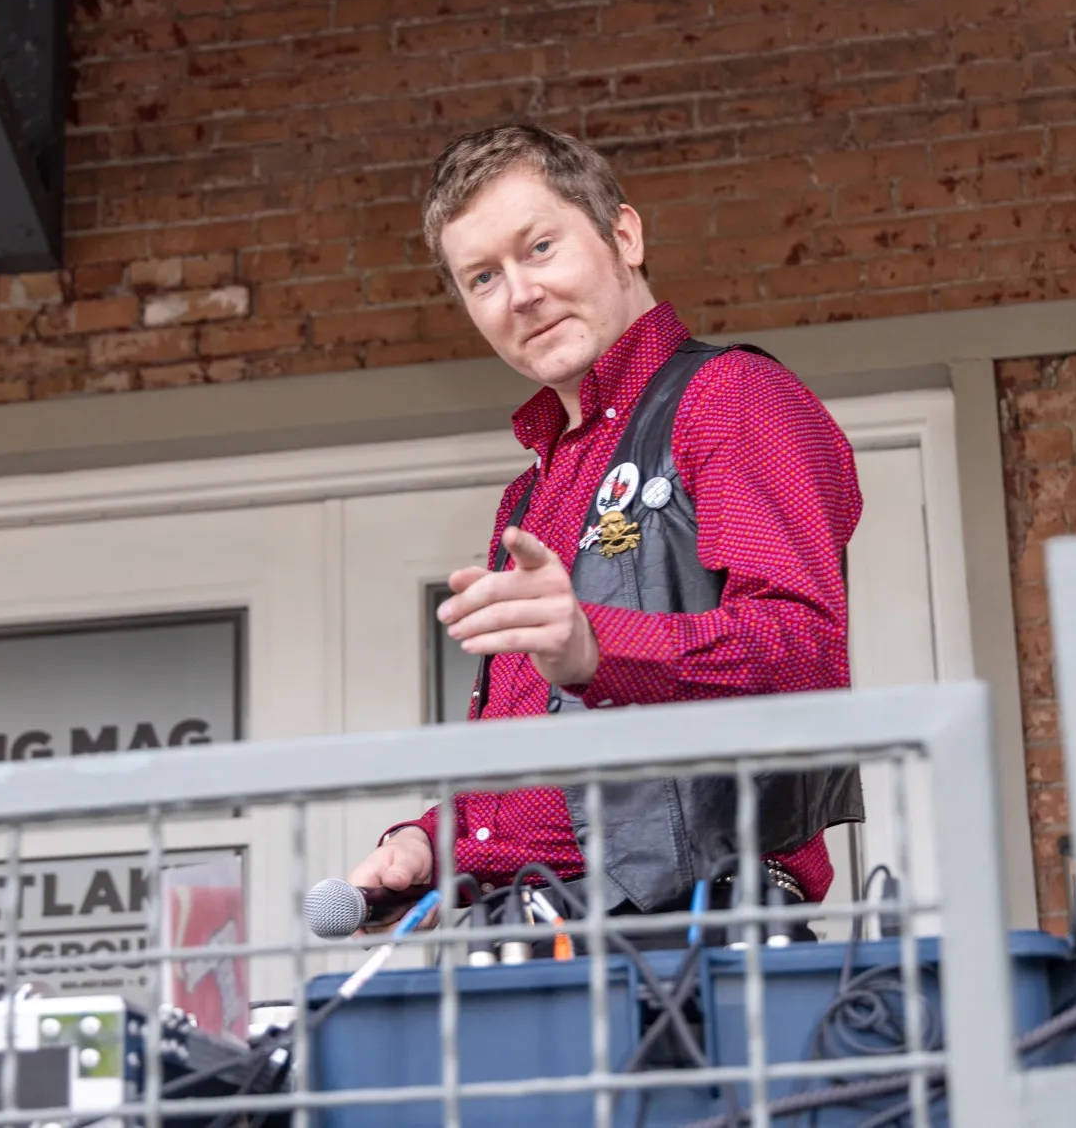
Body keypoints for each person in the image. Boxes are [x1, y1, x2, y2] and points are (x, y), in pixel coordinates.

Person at [345, 123, 865, 939]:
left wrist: (596, 648)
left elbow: (803, 654)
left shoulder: (729, 398)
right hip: (540, 945)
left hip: (698, 949)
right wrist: (431, 844)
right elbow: (539, 766)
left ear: (624, 236)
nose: (520, 294)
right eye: (483, 277)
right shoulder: (529, 494)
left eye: (540, 247)